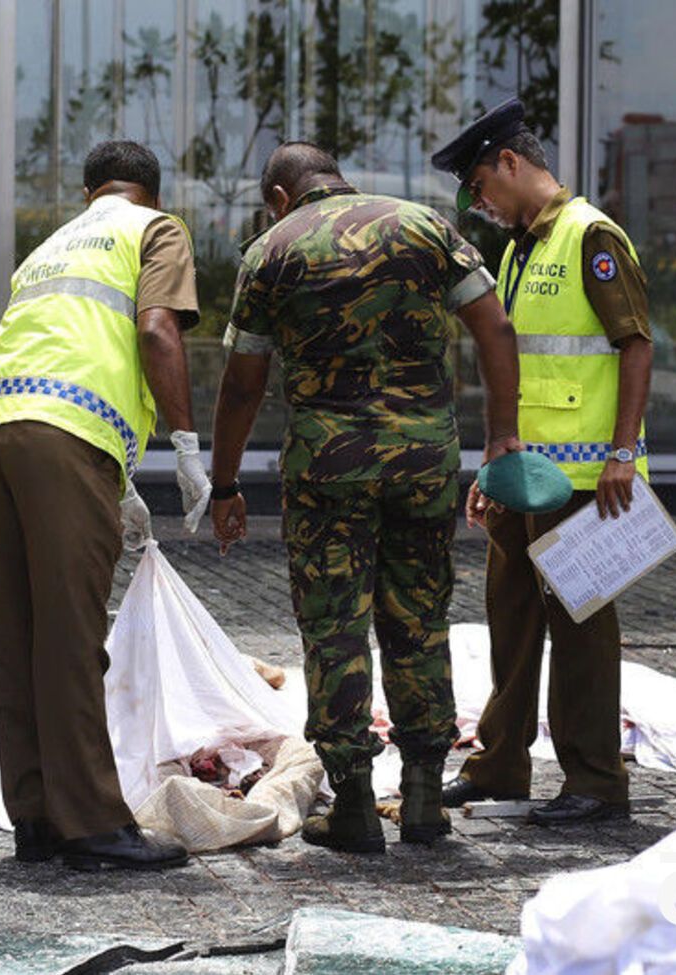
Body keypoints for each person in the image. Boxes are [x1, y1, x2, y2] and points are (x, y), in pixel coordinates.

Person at [210, 142, 521, 854]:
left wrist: (225, 483)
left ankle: (351, 803)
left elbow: (243, 384)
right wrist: (502, 434)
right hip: (424, 462)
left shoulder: (271, 250)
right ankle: (424, 796)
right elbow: (494, 326)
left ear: (280, 197)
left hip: (329, 471)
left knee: (335, 629)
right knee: (420, 619)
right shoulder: (426, 226)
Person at [0, 141, 210, 870]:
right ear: (152, 193)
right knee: (70, 631)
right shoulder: (155, 229)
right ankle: (94, 824)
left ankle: (37, 815)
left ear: (88, 193)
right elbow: (156, 329)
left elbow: (64, 347)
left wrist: (118, 477)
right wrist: (185, 445)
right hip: (63, 435)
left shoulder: (51, 245)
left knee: (20, 628)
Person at [431, 98, 654, 825]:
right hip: (525, 476)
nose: (481, 205)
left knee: (581, 630)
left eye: (480, 188)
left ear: (510, 162)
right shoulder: (521, 248)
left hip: (587, 480)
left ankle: (596, 782)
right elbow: (520, 369)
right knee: (512, 619)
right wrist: (493, 465)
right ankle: (500, 766)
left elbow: (636, 345)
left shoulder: (591, 236)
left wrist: (622, 452)